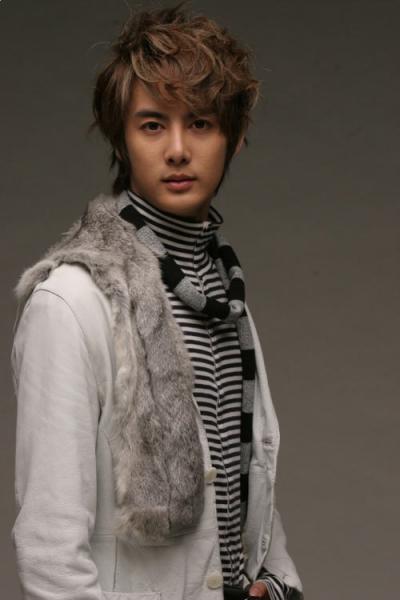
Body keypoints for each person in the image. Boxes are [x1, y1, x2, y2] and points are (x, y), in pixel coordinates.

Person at [11, 4, 304, 600]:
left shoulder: (222, 295)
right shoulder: (72, 301)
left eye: (200, 123)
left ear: (233, 137)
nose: (176, 149)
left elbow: (243, 475)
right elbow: (49, 552)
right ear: (122, 138)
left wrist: (274, 582)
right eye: (151, 125)